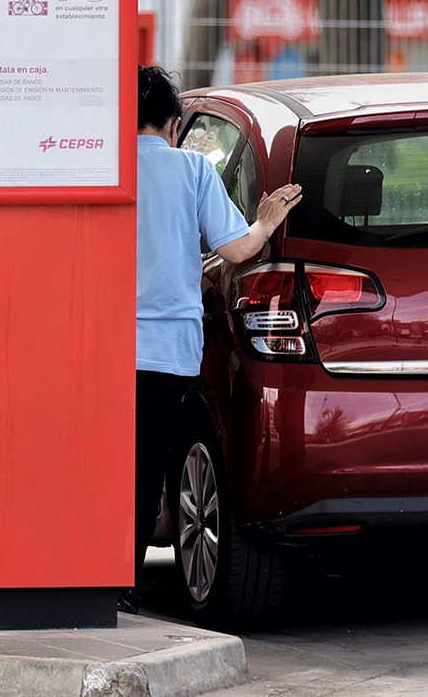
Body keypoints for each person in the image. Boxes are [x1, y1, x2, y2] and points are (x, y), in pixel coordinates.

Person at [125, 66, 301, 614]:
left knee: (110, 464)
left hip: (109, 348)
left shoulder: (106, 169)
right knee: (148, 469)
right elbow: (239, 251)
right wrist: (268, 220)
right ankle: (126, 585)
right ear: (174, 123)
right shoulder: (191, 169)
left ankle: (99, 577)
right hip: (169, 352)